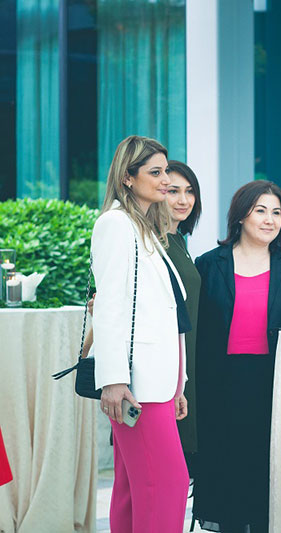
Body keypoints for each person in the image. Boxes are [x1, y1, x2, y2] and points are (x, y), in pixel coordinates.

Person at [192, 180, 281, 532]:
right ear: (241, 216)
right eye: (260, 211)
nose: (269, 219)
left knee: (265, 471)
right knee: (225, 469)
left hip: (273, 381)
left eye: (276, 213)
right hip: (220, 382)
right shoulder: (209, 264)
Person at [93, 135, 190, 532]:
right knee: (167, 484)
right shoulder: (116, 225)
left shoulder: (144, 228)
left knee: (132, 490)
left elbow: (165, 313)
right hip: (137, 385)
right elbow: (110, 307)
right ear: (128, 178)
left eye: (166, 170)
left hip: (157, 384)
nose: (166, 179)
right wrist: (114, 380)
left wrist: (179, 383)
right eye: (156, 172)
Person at [165, 160, 203, 476]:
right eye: (173, 191)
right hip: (161, 371)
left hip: (183, 368)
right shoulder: (151, 242)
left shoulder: (178, 239)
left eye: (189, 192)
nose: (183, 200)